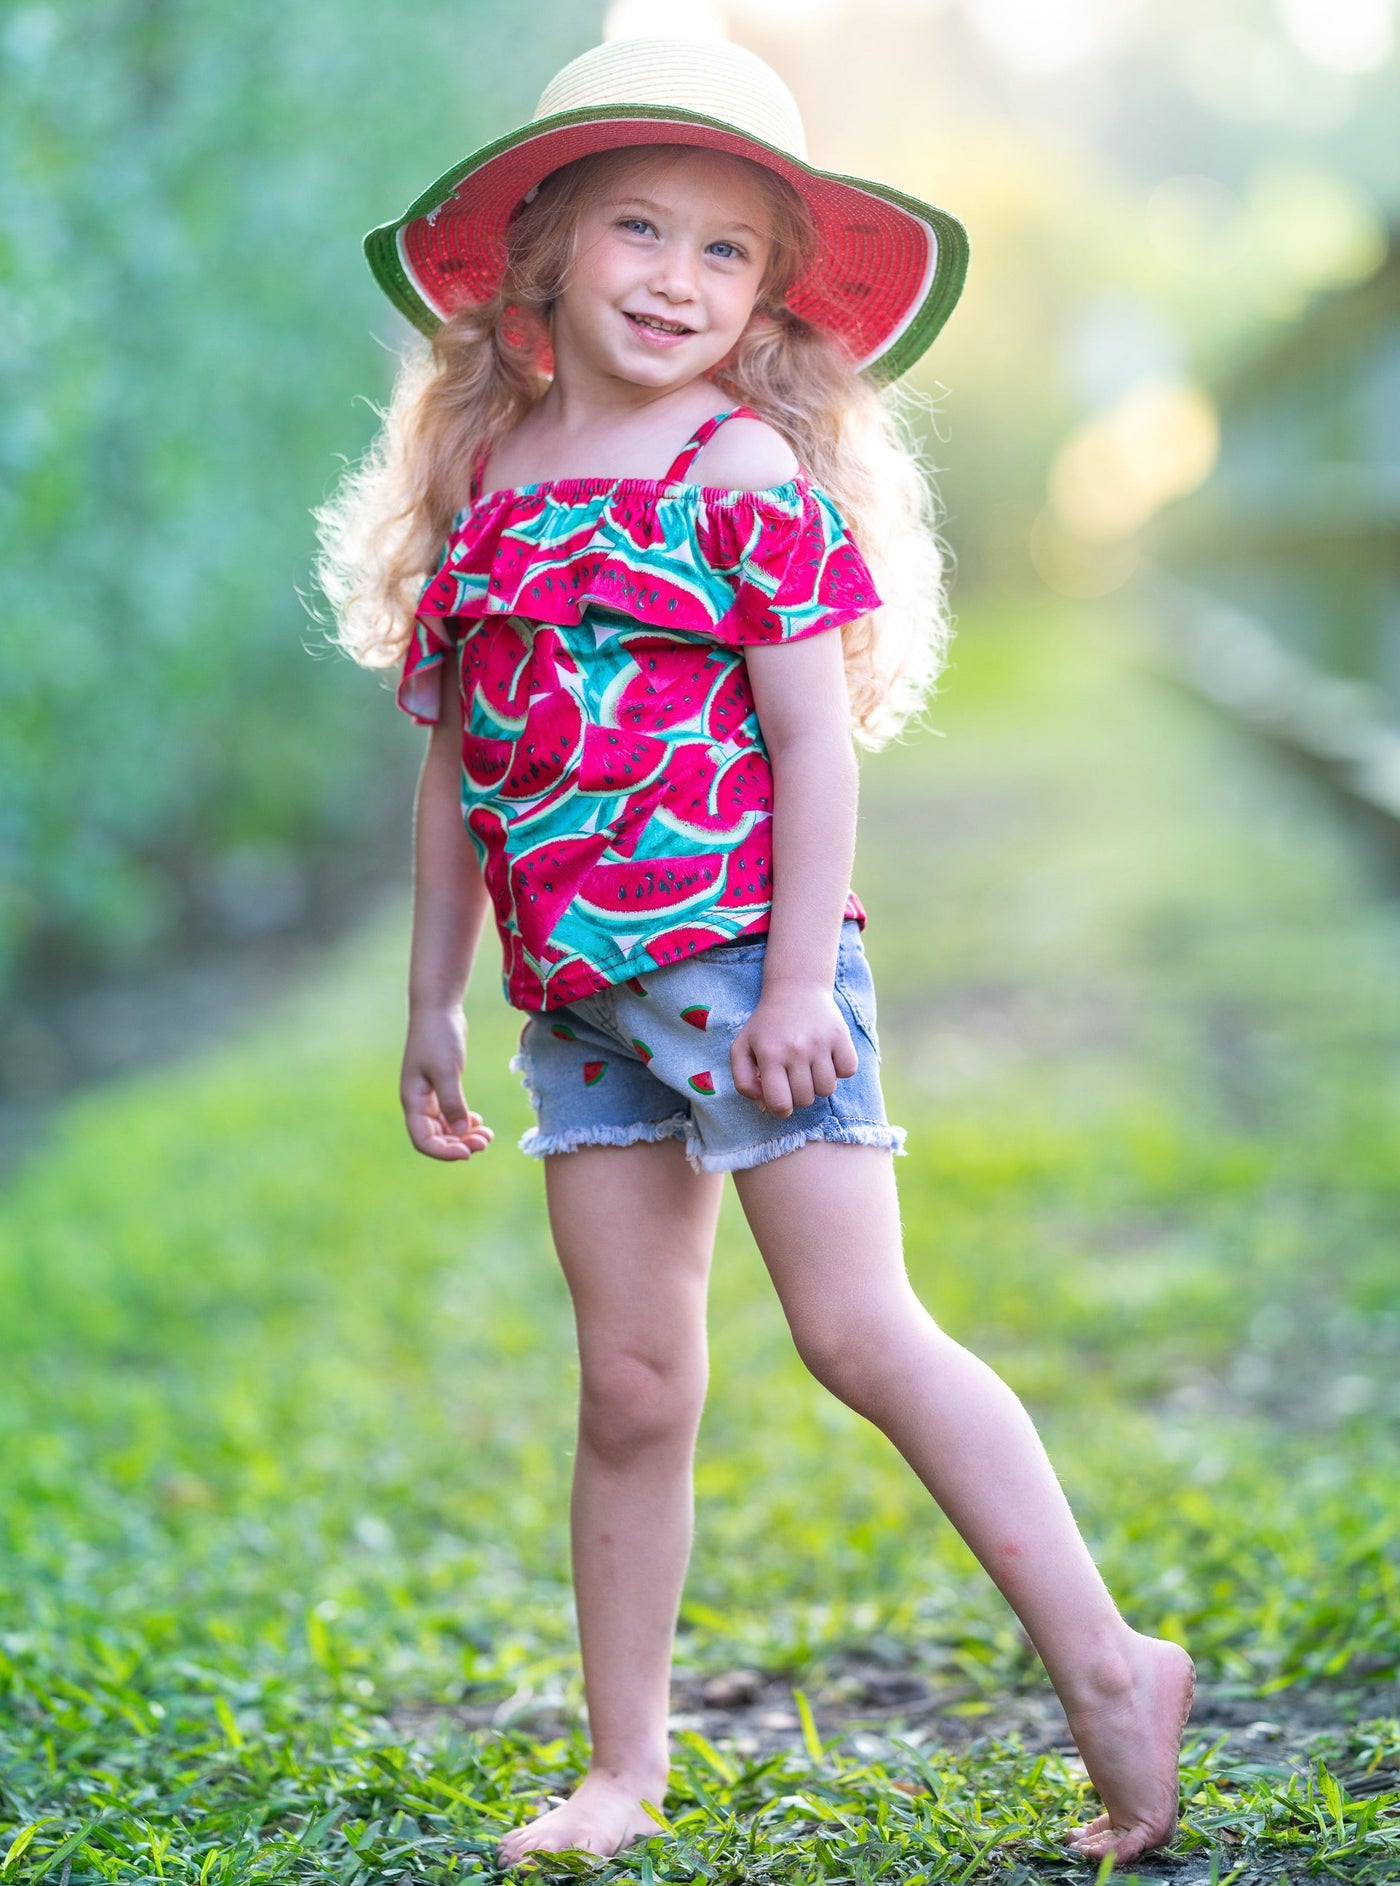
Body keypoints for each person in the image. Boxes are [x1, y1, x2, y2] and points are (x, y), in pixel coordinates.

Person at [314, 35, 1194, 1870]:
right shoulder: (488, 476)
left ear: (771, 297)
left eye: (727, 253)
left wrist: (804, 982)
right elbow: (457, 759)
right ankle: (622, 1764)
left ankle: (1113, 1664)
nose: (677, 280)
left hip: (741, 967)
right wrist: (429, 997)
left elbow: (813, 741)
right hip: (578, 1004)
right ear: (545, 245)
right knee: (630, 1380)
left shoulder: (738, 472)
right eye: (639, 226)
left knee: (858, 1329)